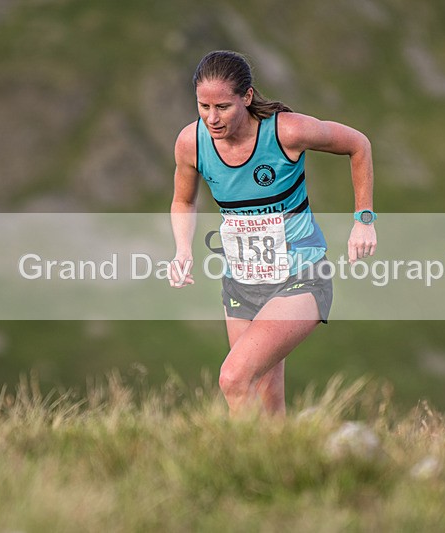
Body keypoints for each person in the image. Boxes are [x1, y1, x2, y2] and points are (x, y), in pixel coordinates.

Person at [169, 50, 376, 416]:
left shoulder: (287, 131)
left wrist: (363, 219)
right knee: (265, 396)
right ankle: (275, 466)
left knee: (233, 377)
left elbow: (358, 145)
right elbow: (184, 202)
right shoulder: (192, 142)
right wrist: (183, 250)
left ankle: (244, 468)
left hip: (301, 276)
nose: (212, 118)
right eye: (203, 106)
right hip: (241, 282)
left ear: (246, 97)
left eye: (223, 107)